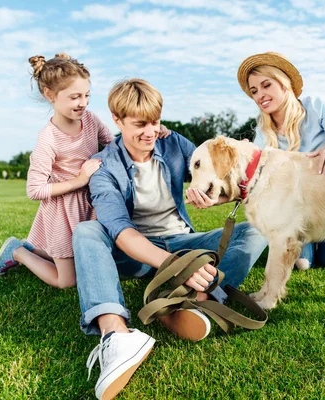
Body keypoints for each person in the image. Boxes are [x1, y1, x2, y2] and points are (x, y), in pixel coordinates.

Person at [73, 78, 267, 400]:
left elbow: (218, 177)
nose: (150, 132)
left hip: (182, 240)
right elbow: (121, 232)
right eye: (139, 124)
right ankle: (116, 334)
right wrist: (178, 266)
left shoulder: (174, 143)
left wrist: (213, 197)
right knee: (87, 230)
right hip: (135, 252)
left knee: (258, 229)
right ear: (117, 121)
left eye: (155, 122)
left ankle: (199, 298)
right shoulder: (105, 167)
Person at [0, 53, 117, 288]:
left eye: (87, 95)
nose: (83, 103)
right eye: (75, 97)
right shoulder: (48, 139)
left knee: (85, 259)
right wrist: (79, 180)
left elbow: (113, 144)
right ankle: (18, 251)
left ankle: (32, 247)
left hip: (89, 202)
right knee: (67, 280)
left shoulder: (90, 120)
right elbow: (34, 190)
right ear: (50, 95)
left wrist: (151, 132)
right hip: (63, 210)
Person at [237, 52, 325, 271]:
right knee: (302, 264)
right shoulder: (263, 130)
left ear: (284, 84)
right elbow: (258, 175)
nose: (260, 95)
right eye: (254, 91)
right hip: (296, 210)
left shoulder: (316, 106)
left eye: (266, 85)